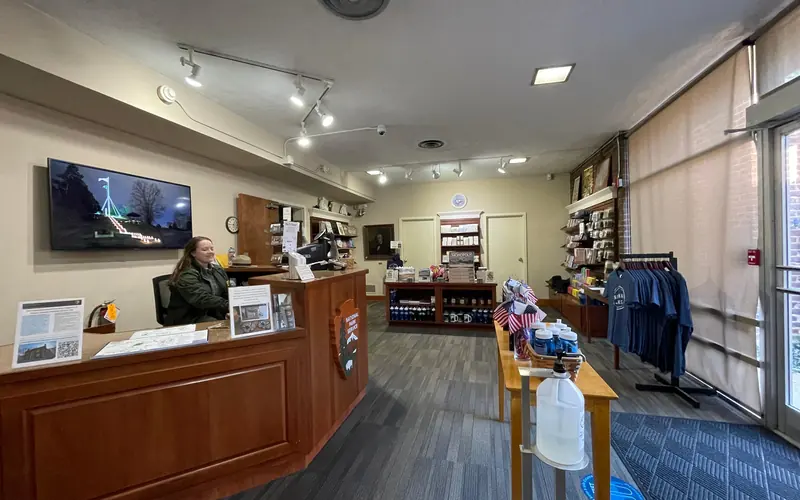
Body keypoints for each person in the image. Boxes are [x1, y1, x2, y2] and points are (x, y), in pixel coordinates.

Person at [166, 236, 229, 325]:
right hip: (189, 317)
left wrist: (231, 310)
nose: (210, 252)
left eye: (212, 248)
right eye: (205, 249)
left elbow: (226, 292)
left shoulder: (218, 270)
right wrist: (227, 305)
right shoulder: (186, 274)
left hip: (213, 314)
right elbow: (201, 299)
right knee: (222, 328)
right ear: (193, 253)